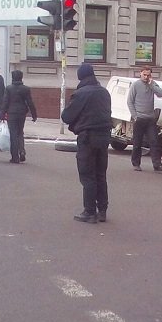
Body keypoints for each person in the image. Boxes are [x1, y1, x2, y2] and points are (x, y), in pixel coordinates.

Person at [61, 64, 112, 224]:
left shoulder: (81, 94)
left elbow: (67, 116)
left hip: (87, 138)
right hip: (104, 137)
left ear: (80, 77)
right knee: (100, 174)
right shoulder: (104, 92)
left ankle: (89, 212)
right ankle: (102, 210)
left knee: (88, 175)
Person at [127, 66, 162, 171]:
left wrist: (151, 84)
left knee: (154, 142)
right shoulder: (136, 85)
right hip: (139, 118)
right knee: (137, 142)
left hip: (150, 118)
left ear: (150, 75)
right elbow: (130, 101)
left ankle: (157, 165)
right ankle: (136, 163)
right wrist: (135, 116)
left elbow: (161, 93)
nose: (146, 77)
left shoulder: (152, 84)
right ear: (140, 73)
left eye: (148, 75)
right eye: (144, 74)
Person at [0, 70, 37, 164]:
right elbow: (30, 102)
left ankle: (15, 157)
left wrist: (2, 114)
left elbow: (5, 102)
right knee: (20, 132)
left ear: (13, 77)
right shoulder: (26, 89)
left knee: (13, 134)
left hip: (11, 113)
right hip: (22, 113)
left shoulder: (9, 88)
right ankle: (22, 151)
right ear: (21, 77)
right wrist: (34, 115)